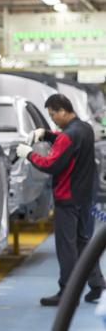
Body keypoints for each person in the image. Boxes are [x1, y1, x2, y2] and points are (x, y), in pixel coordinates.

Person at [16, 94, 105, 306]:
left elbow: (50, 164)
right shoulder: (84, 129)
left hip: (67, 198)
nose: (53, 118)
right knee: (84, 244)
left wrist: (28, 154)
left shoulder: (68, 135)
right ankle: (98, 286)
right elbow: (68, 143)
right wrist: (47, 134)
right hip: (85, 198)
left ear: (63, 111)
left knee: (67, 247)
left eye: (53, 114)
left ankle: (67, 293)